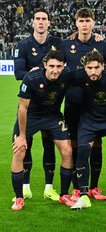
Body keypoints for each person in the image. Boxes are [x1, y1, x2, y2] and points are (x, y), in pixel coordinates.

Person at [11, 50, 74, 211]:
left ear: (63, 66)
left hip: (53, 116)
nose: (55, 70)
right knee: (19, 150)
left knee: (67, 150)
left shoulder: (67, 74)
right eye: (51, 66)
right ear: (44, 65)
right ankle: (19, 198)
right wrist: (22, 136)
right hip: (30, 116)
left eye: (59, 66)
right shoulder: (31, 78)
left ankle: (64, 194)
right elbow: (23, 108)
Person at [60, 7, 106, 201]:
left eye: (87, 20)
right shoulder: (66, 44)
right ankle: (75, 186)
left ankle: (94, 187)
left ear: (93, 23)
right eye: (81, 21)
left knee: (95, 143)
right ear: (76, 23)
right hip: (73, 102)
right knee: (74, 144)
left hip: (95, 103)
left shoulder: (102, 45)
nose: (84, 24)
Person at [70, 50, 106, 210]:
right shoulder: (78, 76)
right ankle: (83, 196)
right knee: (82, 151)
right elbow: (58, 77)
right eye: (89, 68)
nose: (93, 72)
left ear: (103, 66)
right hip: (89, 120)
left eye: (96, 67)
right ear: (84, 68)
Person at [13, 7, 60, 202]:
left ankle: (49, 188)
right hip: (29, 106)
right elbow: (18, 73)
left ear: (49, 23)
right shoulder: (23, 45)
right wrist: (36, 74)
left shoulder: (57, 43)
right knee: (25, 145)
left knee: (49, 145)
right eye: (37, 18)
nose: (41, 22)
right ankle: (25, 187)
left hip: (50, 105)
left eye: (44, 19)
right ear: (32, 22)